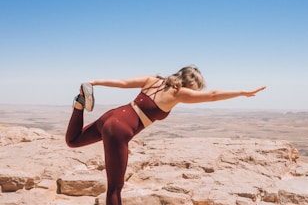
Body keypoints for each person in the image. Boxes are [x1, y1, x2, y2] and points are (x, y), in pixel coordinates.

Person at [65, 66, 266, 205]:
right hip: (119, 130)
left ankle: (78, 105)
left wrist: (94, 82)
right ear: (190, 84)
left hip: (111, 115)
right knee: (115, 188)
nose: (195, 93)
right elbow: (212, 95)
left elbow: (122, 82)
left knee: (73, 141)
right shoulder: (179, 93)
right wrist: (242, 92)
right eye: (196, 89)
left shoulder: (152, 80)